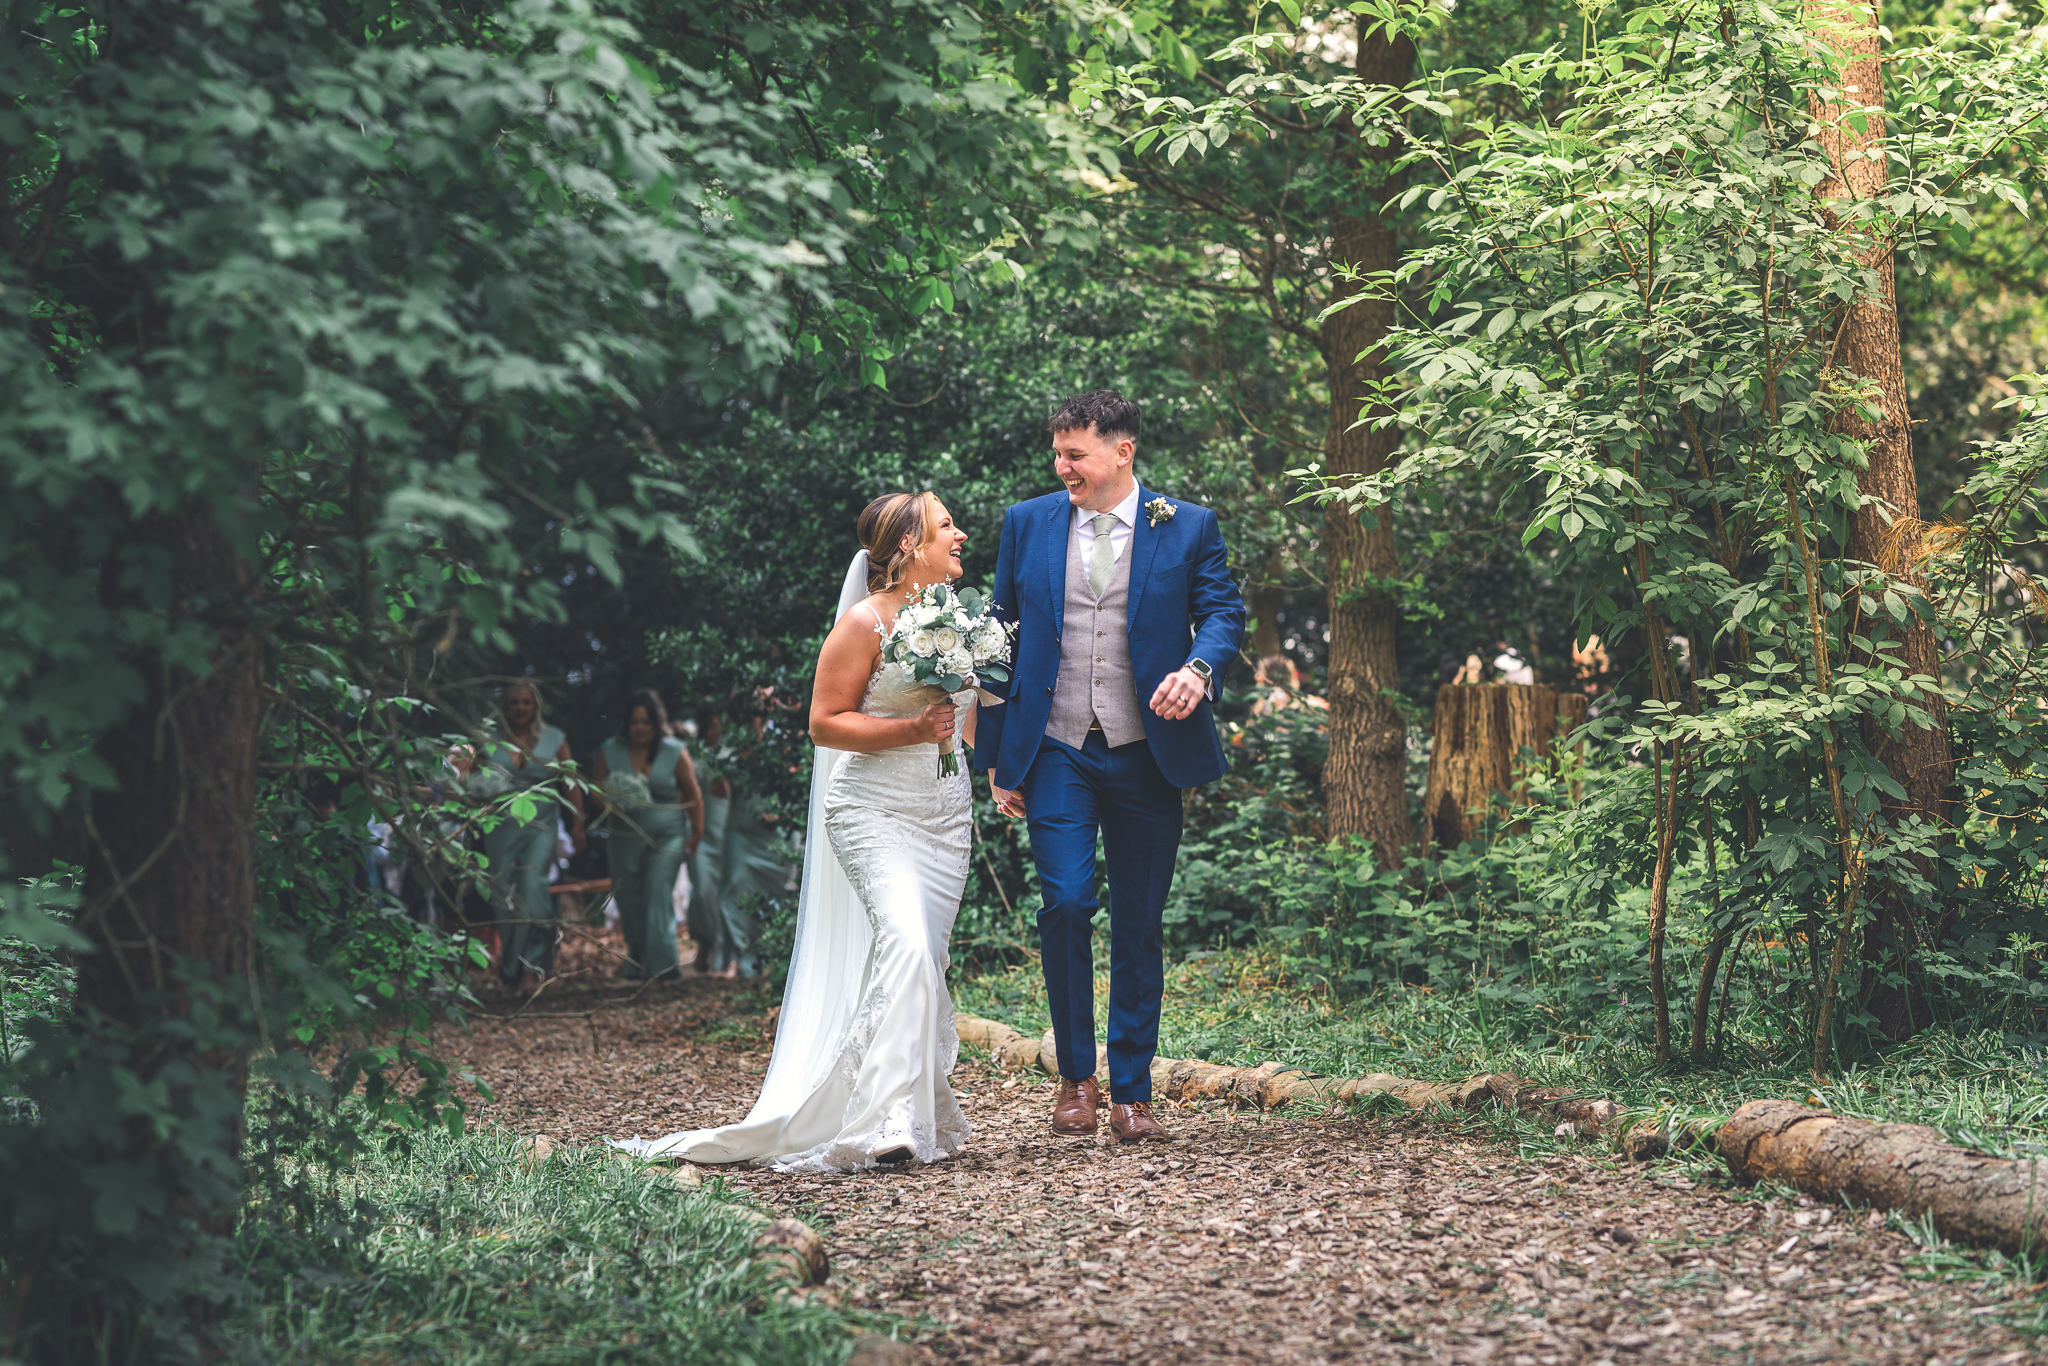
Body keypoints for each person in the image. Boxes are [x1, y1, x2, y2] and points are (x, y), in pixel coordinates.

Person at [613, 491, 976, 1171]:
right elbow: (823, 723)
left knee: (925, 958)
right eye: (947, 525)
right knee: (907, 942)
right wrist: (911, 728)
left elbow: (966, 719)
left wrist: (1006, 762)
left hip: (944, 817)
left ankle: (907, 1103)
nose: (961, 535)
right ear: (908, 545)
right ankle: (888, 1119)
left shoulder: (957, 618)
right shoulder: (864, 623)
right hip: (874, 811)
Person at [978, 389, 1245, 1143]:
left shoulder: (1187, 524)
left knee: (1138, 920)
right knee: (1065, 904)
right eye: (1057, 454)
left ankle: (1132, 1090)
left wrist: (1198, 669)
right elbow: (998, 637)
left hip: (1148, 754)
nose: (1061, 467)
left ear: (1122, 452)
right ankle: (1075, 1078)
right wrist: (997, 757)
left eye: (1075, 454)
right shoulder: (1028, 522)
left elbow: (1223, 613)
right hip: (1056, 747)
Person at [464, 682, 584, 994]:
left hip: (541, 826)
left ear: (536, 706)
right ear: (506, 706)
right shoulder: (490, 741)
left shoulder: (554, 738)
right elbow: (472, 781)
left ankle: (533, 967)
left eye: (526, 702)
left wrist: (578, 824)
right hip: (500, 829)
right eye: (514, 702)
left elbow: (570, 781)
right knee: (503, 898)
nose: (520, 708)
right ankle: (511, 968)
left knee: (533, 890)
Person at [591, 689, 704, 980]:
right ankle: (639, 959)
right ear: (626, 724)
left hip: (668, 836)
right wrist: (611, 805)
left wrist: (696, 833)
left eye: (646, 722)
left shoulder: (674, 751)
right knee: (629, 900)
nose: (640, 728)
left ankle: (664, 965)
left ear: (656, 724)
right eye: (634, 722)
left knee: (657, 893)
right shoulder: (610, 751)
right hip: (624, 838)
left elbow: (693, 795)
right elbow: (596, 790)